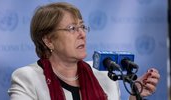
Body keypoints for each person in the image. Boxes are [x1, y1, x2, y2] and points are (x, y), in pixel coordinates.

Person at [8, 2, 160, 100]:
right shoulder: (27, 78)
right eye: (72, 28)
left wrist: (135, 95)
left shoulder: (104, 75)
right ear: (48, 40)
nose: (82, 34)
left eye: (82, 27)